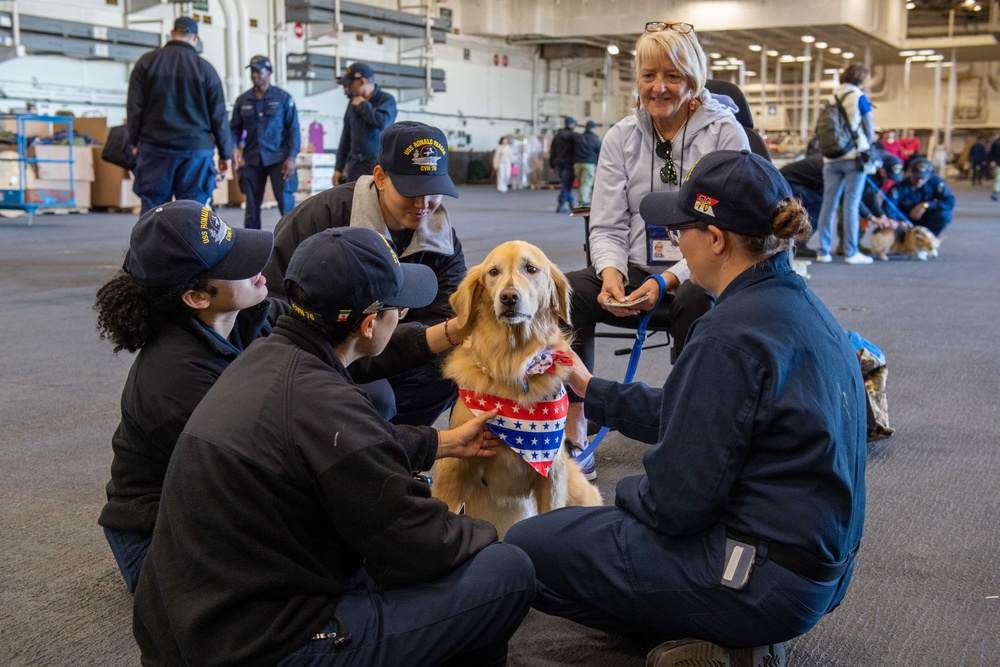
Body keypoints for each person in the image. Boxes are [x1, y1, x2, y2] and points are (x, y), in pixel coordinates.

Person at [506, 150, 867, 666]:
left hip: (755, 580)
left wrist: (617, 501)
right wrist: (591, 387)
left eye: (681, 230)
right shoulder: (803, 310)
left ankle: (728, 639)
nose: (676, 242)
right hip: (815, 574)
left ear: (715, 239)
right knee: (588, 537)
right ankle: (710, 633)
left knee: (529, 546)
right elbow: (702, 412)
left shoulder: (728, 335)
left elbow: (671, 505)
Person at [132, 226, 536, 666]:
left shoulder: (265, 356)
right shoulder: (330, 409)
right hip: (266, 645)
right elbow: (420, 543)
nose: (401, 316)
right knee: (506, 571)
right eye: (397, 309)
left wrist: (439, 441)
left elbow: (352, 446)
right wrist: (490, 533)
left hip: (189, 625)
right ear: (368, 325)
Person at [561, 20, 750, 474]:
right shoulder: (621, 138)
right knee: (566, 294)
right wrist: (609, 275)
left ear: (693, 80)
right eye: (649, 76)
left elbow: (724, 232)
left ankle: (688, 428)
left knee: (694, 299)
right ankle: (574, 423)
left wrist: (667, 279)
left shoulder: (725, 135)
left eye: (672, 76)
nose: (659, 87)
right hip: (632, 271)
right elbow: (605, 224)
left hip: (700, 273)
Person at [94, 200, 274, 593]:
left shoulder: (241, 317)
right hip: (157, 536)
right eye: (234, 264)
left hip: (211, 494)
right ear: (196, 297)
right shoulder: (176, 384)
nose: (256, 267)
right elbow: (257, 474)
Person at [263, 121, 463, 427]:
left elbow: (445, 315)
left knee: (452, 372)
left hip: (395, 345)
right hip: (329, 349)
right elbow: (275, 299)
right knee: (376, 399)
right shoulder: (321, 218)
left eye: (434, 191)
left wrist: (392, 343)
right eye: (411, 190)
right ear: (380, 177)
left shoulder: (443, 240)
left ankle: (391, 449)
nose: (424, 204)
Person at [126, 17, 231, 213]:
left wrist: (133, 142)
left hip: (156, 148)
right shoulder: (206, 70)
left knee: (153, 210)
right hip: (195, 152)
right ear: (196, 38)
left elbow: (134, 108)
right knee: (194, 211)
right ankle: (191, 245)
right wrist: (226, 154)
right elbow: (219, 116)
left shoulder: (147, 63)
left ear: (172, 33)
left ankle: (152, 244)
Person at [814, 62, 875, 265]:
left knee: (828, 205)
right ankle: (851, 251)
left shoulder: (832, 97)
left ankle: (823, 251)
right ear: (861, 79)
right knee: (851, 205)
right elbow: (869, 129)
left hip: (831, 158)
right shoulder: (859, 97)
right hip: (854, 157)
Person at [230, 55, 301, 230]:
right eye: (252, 71)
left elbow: (293, 130)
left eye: (258, 71)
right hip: (253, 159)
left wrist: (291, 157)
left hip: (279, 160)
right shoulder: (243, 100)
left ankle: (293, 244)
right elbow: (234, 129)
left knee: (286, 205)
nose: (255, 75)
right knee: (252, 208)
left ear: (268, 72)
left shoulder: (283, 98)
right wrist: (233, 147)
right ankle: (252, 246)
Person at [333, 62, 397, 185]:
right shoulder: (352, 104)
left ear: (362, 82)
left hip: (377, 165)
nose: (347, 88)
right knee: (353, 201)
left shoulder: (386, 100)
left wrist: (363, 105)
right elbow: (346, 137)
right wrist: (338, 168)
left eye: (350, 84)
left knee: (375, 201)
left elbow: (383, 122)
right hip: (355, 165)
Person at [885, 157, 955, 236]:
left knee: (944, 215)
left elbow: (949, 202)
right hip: (905, 221)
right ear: (910, 172)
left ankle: (929, 238)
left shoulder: (935, 182)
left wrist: (926, 205)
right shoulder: (899, 186)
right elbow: (888, 207)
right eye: (916, 178)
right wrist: (897, 221)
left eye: (922, 178)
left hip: (926, 219)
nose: (919, 181)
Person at [549, 117, 578, 213]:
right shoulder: (574, 137)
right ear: (572, 125)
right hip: (569, 163)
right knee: (566, 185)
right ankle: (561, 205)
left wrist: (552, 165)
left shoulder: (557, 136)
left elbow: (552, 152)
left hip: (559, 163)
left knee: (566, 184)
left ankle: (571, 204)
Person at [573, 120, 602, 206]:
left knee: (581, 183)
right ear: (593, 128)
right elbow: (600, 153)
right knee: (586, 183)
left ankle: (582, 199)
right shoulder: (595, 140)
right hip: (589, 164)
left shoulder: (578, 138)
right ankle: (584, 201)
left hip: (577, 163)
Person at [990, 134, 1000, 202]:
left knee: (998, 178)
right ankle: (995, 192)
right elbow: (992, 153)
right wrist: (993, 161)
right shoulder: (996, 143)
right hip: (998, 163)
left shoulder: (996, 143)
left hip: (998, 162)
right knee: (998, 178)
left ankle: (995, 192)